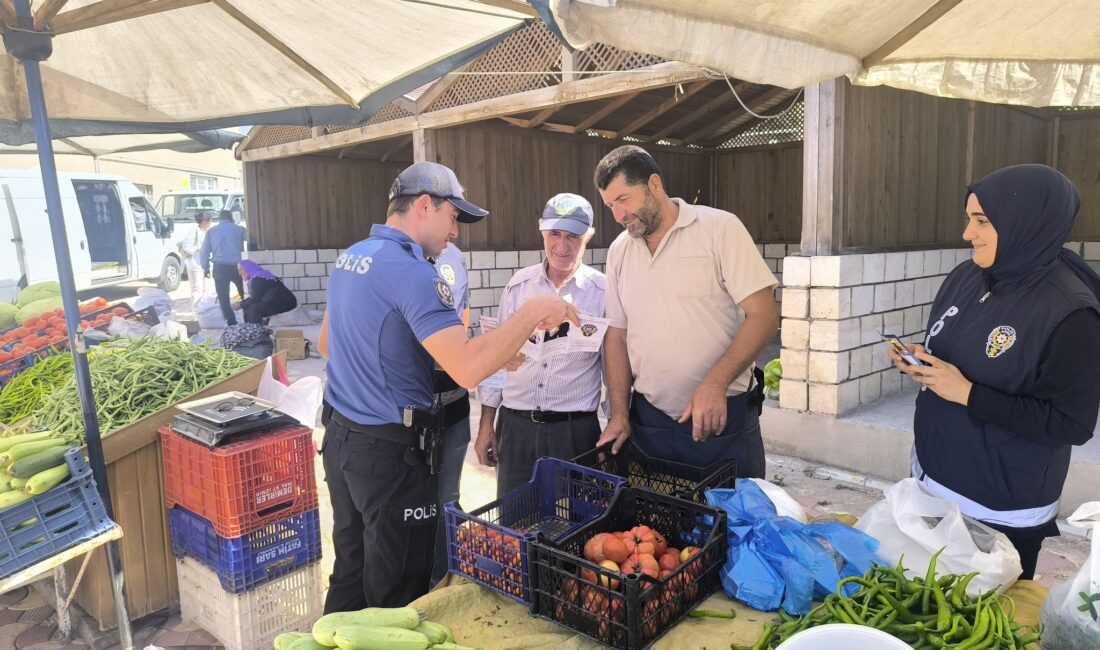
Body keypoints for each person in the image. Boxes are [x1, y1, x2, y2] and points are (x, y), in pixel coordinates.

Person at [321, 161, 578, 613]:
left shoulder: (353, 256)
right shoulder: (415, 272)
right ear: (424, 206)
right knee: (400, 587)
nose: (456, 232)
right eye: (453, 217)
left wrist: (484, 347)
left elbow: (329, 343)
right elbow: (466, 371)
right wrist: (535, 310)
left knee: (352, 569)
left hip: (343, 440)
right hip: (390, 455)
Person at [888, 164, 1100, 580]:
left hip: (997, 507)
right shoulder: (968, 275)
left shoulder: (1072, 313)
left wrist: (966, 393)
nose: (968, 233)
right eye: (969, 218)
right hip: (933, 480)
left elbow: (1069, 424)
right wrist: (924, 361)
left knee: (983, 629)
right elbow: (956, 353)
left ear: (1026, 224)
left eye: (982, 221)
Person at [594, 145, 779, 477]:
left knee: (732, 526)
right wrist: (618, 413)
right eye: (610, 206)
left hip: (723, 418)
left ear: (654, 185)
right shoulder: (619, 251)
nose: (618, 216)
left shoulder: (719, 229)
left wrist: (715, 383)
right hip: (650, 423)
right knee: (656, 527)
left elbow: (764, 315)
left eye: (623, 200)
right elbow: (617, 337)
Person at [475, 193, 606, 497]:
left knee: (575, 529)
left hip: (574, 432)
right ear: (542, 233)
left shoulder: (603, 292)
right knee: (515, 525)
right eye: (554, 234)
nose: (562, 246)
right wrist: (486, 425)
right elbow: (496, 360)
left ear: (588, 236)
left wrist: (615, 424)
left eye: (573, 236)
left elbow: (613, 369)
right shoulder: (518, 287)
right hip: (516, 428)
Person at [428, 241, 473, 588]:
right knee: (412, 507)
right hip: (404, 417)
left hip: (453, 406)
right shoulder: (395, 263)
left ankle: (444, 583)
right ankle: (419, 586)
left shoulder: (452, 258)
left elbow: (464, 317)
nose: (454, 230)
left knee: (446, 502)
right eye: (451, 216)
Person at [199, 209, 247, 326]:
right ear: (231, 218)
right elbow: (252, 241)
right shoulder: (239, 229)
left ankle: (232, 323)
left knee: (223, 298)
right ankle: (249, 319)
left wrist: (205, 268)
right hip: (238, 268)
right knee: (245, 294)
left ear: (219, 219)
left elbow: (204, 251)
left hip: (220, 268)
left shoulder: (211, 231)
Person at [178, 211, 213, 310]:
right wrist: (199, 249)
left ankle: (207, 311)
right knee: (197, 289)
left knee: (208, 290)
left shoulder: (209, 231)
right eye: (210, 220)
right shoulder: (194, 231)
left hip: (207, 264)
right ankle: (196, 312)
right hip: (195, 264)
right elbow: (186, 246)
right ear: (206, 221)